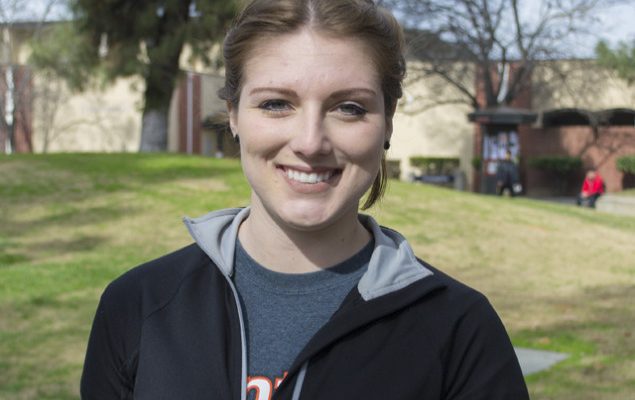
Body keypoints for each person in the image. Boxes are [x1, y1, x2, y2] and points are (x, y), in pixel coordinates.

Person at [80, 1, 529, 399]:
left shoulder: (459, 329)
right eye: (276, 103)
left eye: (349, 108)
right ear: (233, 115)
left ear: (388, 123)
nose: (310, 142)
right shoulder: (139, 305)